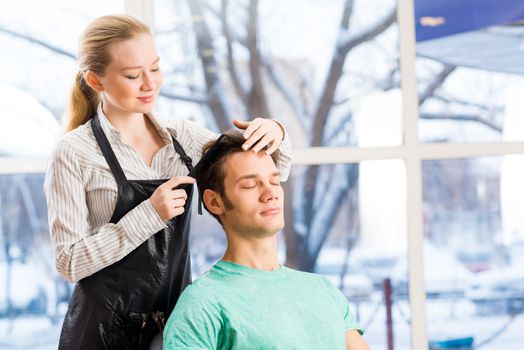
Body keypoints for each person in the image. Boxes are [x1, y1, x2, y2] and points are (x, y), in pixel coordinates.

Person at [43, 14, 292, 350]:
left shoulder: (182, 137)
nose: (150, 84)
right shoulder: (73, 152)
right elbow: (69, 263)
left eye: (155, 68)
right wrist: (149, 215)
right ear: (95, 80)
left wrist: (276, 132)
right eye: (133, 75)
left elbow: (262, 173)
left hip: (177, 325)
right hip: (99, 333)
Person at [162, 131, 370, 350]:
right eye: (251, 185)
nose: (271, 193)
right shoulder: (202, 303)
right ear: (215, 202)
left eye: (274, 181)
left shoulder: (324, 290)